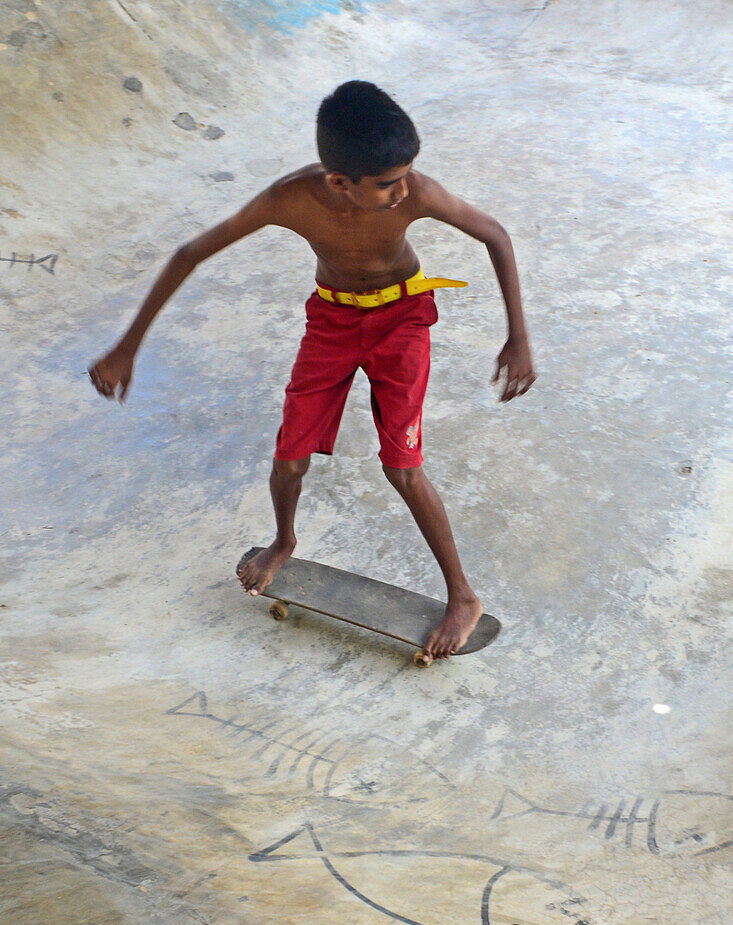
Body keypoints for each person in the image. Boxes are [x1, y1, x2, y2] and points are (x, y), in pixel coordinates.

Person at [89, 80, 535, 660]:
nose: (402, 192)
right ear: (338, 181)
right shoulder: (289, 198)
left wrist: (518, 337)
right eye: (387, 184)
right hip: (331, 322)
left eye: (406, 177)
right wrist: (127, 347)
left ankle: (462, 597)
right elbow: (190, 253)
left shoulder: (417, 191)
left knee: (403, 468)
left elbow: (494, 235)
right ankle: (283, 541)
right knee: (289, 457)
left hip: (402, 321)